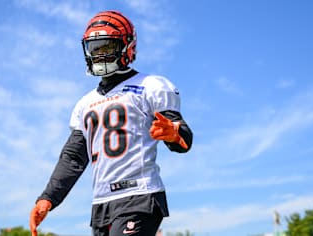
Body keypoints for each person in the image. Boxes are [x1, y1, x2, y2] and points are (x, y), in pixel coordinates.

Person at [29, 10, 193, 236]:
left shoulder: (150, 85)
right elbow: (74, 158)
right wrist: (48, 197)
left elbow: (183, 135)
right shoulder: (85, 104)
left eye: (107, 46)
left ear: (127, 46)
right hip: (101, 203)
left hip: (139, 196)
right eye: (95, 48)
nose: (99, 54)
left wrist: (175, 134)